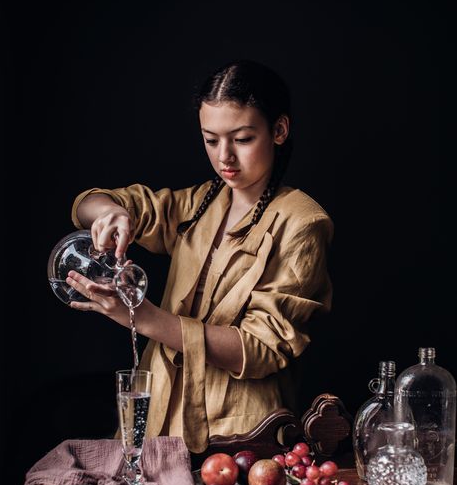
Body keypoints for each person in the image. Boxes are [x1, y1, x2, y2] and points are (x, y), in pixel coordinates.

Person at [66, 59, 333, 453]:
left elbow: (261, 349)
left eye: (242, 138)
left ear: (279, 130)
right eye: (211, 140)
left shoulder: (303, 223)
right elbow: (89, 203)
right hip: (158, 421)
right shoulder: (200, 202)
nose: (225, 156)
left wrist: (145, 317)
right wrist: (112, 213)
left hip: (242, 436)